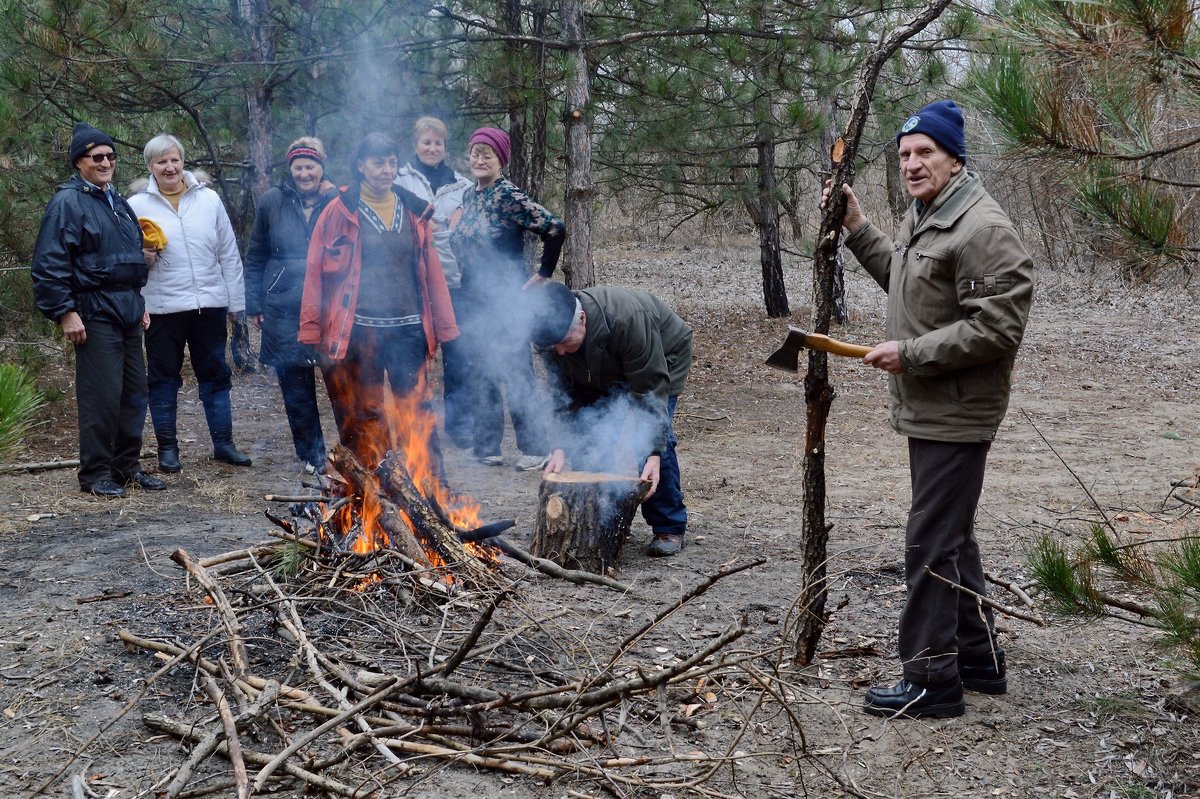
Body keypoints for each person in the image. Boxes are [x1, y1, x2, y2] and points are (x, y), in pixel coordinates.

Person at [824, 99, 1034, 718]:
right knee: (951, 536)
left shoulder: (982, 228)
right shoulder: (935, 215)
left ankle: (931, 682)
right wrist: (859, 228)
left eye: (925, 153)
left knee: (929, 542)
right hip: (933, 407)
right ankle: (977, 662)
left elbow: (998, 328)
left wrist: (911, 353)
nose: (912, 165)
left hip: (957, 411)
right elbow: (909, 280)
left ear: (954, 157)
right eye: (905, 155)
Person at [299, 132, 459, 468]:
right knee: (368, 411)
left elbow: (432, 275)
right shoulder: (338, 212)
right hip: (359, 332)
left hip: (408, 330)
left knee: (416, 408)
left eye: (391, 163)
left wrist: (445, 327)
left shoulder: (415, 211)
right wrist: (311, 331)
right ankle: (378, 485)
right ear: (360, 166)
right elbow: (314, 273)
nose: (386, 170)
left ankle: (432, 484)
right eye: (377, 162)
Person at [31, 121, 166, 497]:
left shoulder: (116, 201)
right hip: (92, 313)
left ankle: (126, 467)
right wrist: (64, 312)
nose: (105, 162)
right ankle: (94, 474)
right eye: (96, 157)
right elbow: (49, 264)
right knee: (102, 396)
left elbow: (128, 261)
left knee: (134, 393)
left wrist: (138, 303)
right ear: (79, 162)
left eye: (110, 156)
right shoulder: (68, 203)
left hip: (126, 310)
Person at [530, 281, 692, 557]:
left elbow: (650, 388)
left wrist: (654, 452)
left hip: (663, 356)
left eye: (563, 344)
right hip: (600, 366)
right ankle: (602, 519)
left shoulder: (627, 320)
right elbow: (562, 393)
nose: (557, 352)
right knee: (589, 437)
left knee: (650, 440)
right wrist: (560, 444)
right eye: (552, 347)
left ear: (582, 319)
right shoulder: (552, 337)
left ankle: (669, 524)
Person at [128, 134, 251, 472]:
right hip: (162, 308)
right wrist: (141, 274)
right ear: (150, 166)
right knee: (163, 378)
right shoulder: (137, 206)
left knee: (215, 374)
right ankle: (168, 449)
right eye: (161, 161)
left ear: (183, 162)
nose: (169, 167)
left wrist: (235, 302)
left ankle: (224, 443)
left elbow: (228, 252)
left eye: (174, 160)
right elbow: (128, 261)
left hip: (208, 304)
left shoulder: (208, 199)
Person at [450, 126, 565, 471]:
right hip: (474, 298)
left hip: (507, 298)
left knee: (515, 371)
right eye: (475, 152)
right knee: (481, 369)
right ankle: (488, 446)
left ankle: (534, 449)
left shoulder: (508, 196)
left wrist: (544, 273)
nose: (480, 159)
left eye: (488, 153)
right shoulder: (469, 196)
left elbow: (555, 228)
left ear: (501, 159)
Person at [245, 137, 338, 472]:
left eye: (310, 166)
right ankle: (311, 457)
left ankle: (353, 452)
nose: (303, 173)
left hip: (330, 303)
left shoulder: (338, 199)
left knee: (341, 383)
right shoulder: (272, 200)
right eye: (298, 167)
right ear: (291, 169)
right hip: (283, 303)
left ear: (321, 168)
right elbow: (256, 254)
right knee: (296, 387)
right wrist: (254, 301)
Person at [395, 117, 475, 450]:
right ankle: (415, 424)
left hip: (454, 282)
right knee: (413, 360)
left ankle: (457, 425)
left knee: (458, 356)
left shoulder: (462, 186)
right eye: (426, 142)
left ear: (446, 146)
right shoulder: (398, 180)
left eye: (438, 143)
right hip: (413, 284)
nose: (432, 148)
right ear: (415, 144)